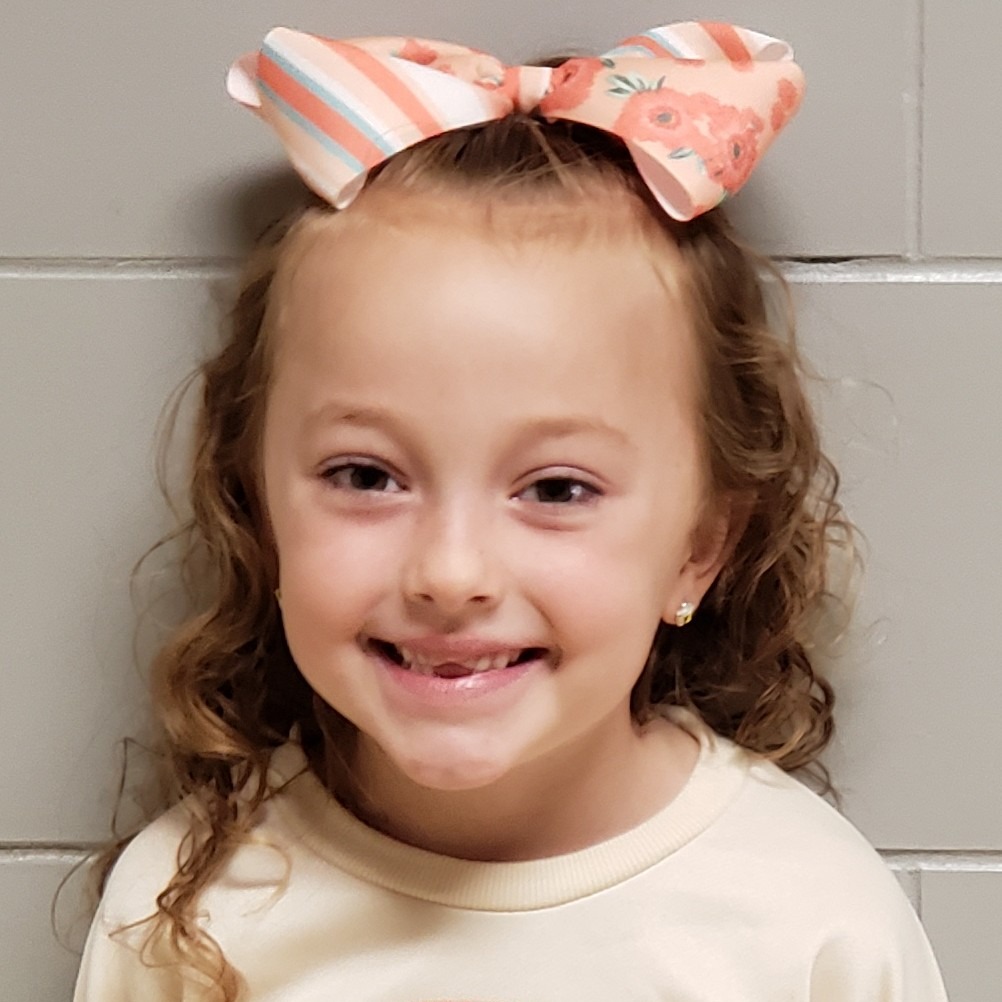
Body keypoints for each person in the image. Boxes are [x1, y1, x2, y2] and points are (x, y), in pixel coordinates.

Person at [73, 21, 950, 1002]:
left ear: (699, 548)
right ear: (260, 510)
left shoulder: (814, 926)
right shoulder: (183, 916)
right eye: (367, 476)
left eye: (557, 490)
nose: (451, 573)